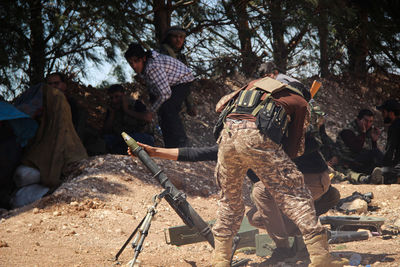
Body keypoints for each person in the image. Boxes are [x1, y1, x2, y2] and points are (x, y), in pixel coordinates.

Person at [211, 70, 347, 267]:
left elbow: (220, 106)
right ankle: (321, 258)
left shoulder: (253, 86)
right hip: (257, 140)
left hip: (227, 138)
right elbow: (295, 148)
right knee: (297, 195)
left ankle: (220, 260)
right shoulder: (299, 102)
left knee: (229, 201)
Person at [124, 42, 194, 148]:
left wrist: (151, 111)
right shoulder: (146, 67)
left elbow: (165, 93)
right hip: (168, 85)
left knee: (168, 108)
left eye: (136, 61)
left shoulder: (153, 67)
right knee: (162, 113)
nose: (134, 65)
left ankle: (182, 145)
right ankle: (171, 146)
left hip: (182, 80)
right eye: (130, 63)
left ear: (143, 58)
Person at [46, 72, 106, 156]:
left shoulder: (73, 105)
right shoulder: (43, 105)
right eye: (50, 84)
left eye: (56, 83)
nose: (53, 86)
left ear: (64, 85)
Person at [335, 109, 383, 183]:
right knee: (375, 153)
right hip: (347, 161)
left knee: (375, 159)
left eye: (370, 122)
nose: (368, 124)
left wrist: (374, 140)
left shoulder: (368, 131)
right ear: (358, 120)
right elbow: (356, 149)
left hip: (358, 160)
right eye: (366, 121)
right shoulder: (348, 131)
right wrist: (363, 133)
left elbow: (369, 150)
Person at [103, 84, 154, 154]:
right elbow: (106, 130)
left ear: (123, 95)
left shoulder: (135, 104)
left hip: (141, 137)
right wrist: (112, 113)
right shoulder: (112, 109)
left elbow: (148, 118)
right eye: (111, 98)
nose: (114, 100)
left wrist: (127, 111)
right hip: (122, 139)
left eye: (117, 97)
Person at [159, 26, 196, 116]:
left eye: (181, 37)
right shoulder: (162, 54)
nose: (178, 40)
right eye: (175, 37)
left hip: (178, 102)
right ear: (169, 38)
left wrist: (190, 105)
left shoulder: (181, 57)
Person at [375, 99, 400, 184]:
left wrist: (384, 169)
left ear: (391, 113)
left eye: (384, 112)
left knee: (381, 173)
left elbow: (390, 151)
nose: (382, 115)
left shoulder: (395, 126)